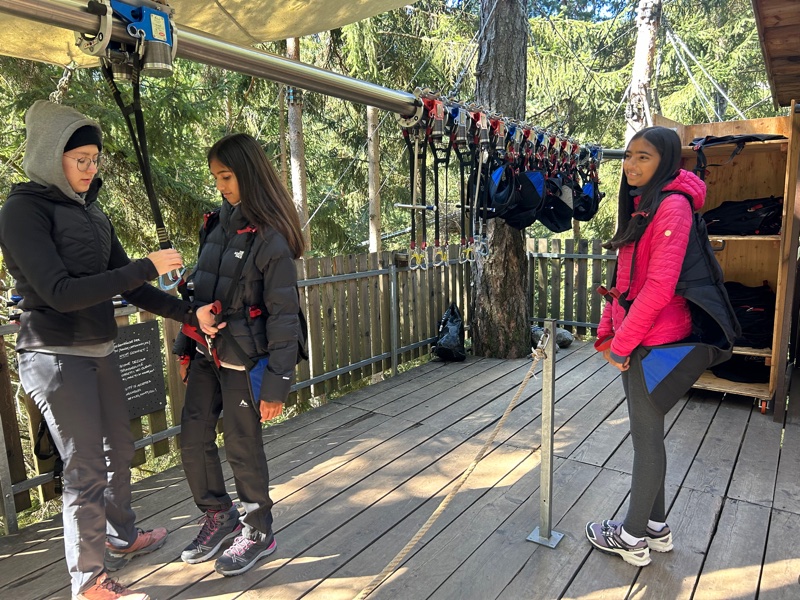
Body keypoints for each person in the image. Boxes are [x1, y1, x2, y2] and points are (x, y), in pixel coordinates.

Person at [0, 100, 217, 600]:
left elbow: (135, 290)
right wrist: (145, 264)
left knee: (119, 451)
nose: (90, 169)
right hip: (54, 354)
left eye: (96, 160)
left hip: (98, 349)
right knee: (84, 470)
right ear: (52, 156)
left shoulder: (93, 214)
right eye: (81, 160)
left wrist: (191, 315)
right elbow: (59, 291)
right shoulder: (20, 211)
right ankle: (88, 581)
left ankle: (121, 538)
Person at [175, 132, 306, 577]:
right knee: (192, 440)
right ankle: (219, 514)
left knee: (241, 446)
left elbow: (286, 318)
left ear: (248, 173)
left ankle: (258, 529)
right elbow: (198, 287)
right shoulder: (215, 224)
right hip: (205, 352)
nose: (221, 186)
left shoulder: (272, 239)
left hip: (246, 361)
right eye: (216, 178)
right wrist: (182, 343)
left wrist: (277, 386)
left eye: (227, 176)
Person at [585, 126, 707, 567]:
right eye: (629, 156)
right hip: (641, 338)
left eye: (644, 157)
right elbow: (625, 279)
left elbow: (658, 288)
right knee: (648, 436)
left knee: (646, 441)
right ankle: (656, 529)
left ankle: (632, 537)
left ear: (667, 162)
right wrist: (607, 328)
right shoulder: (646, 205)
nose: (631, 165)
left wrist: (622, 345)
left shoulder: (672, 207)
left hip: (654, 343)